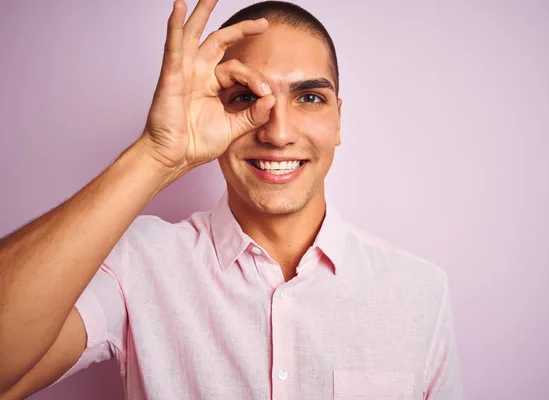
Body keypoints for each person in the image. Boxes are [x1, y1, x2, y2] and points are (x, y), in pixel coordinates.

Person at [0, 0, 465, 398]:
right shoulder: (138, 263)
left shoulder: (420, 291)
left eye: (308, 98)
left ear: (338, 120)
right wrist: (156, 154)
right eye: (244, 96)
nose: (278, 133)